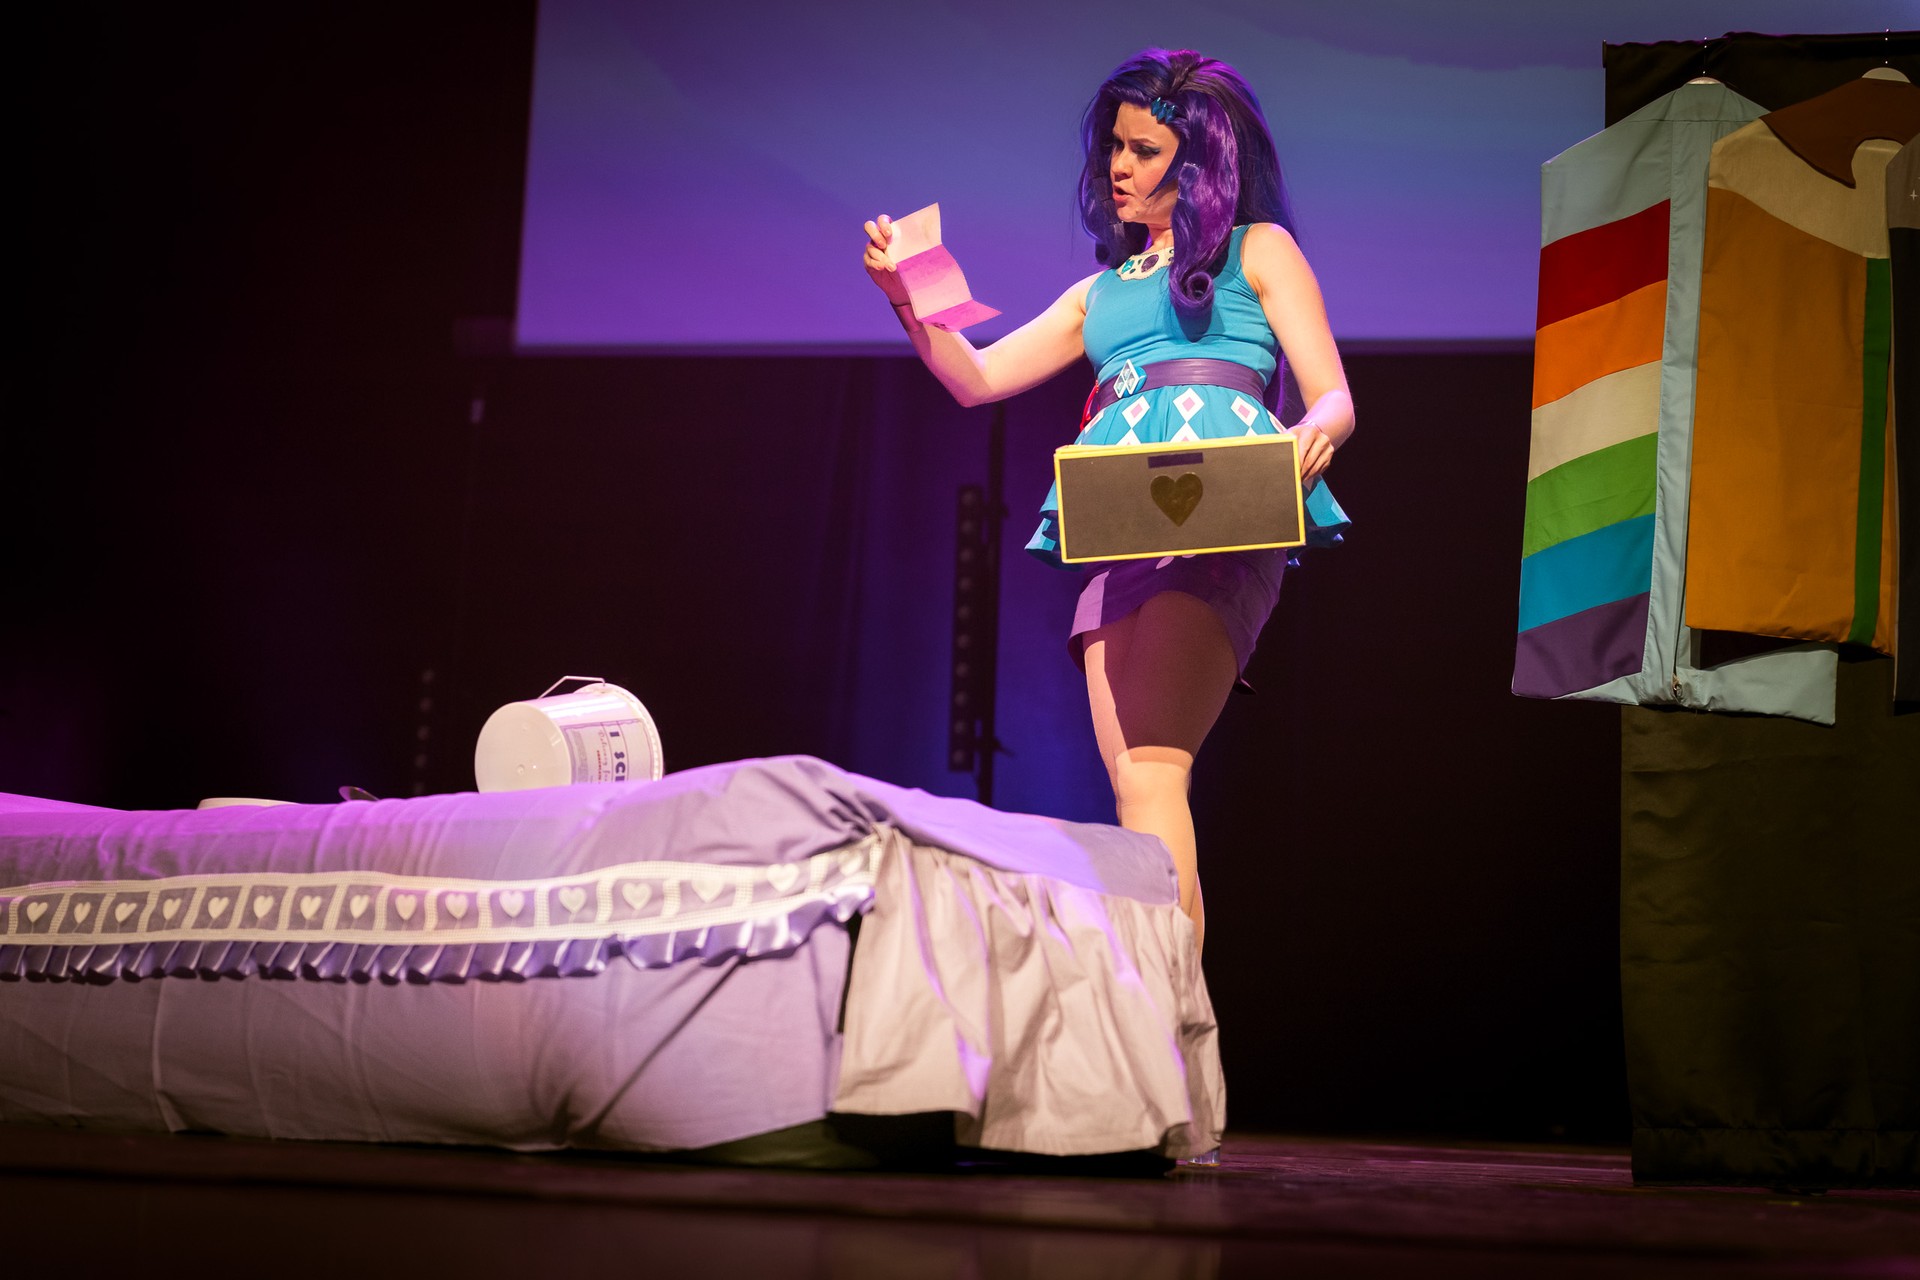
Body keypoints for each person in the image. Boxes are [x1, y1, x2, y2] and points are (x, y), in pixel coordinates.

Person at [861, 48, 1354, 950]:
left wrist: (1313, 432)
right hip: (1118, 523)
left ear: (1199, 163)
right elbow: (977, 377)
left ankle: (1165, 1008)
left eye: (1143, 150)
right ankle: (1173, 997)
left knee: (1156, 770)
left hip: (1221, 511)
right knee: (1139, 788)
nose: (1118, 167)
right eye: (1114, 149)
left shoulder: (1259, 251)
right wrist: (907, 295)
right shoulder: (1098, 294)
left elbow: (1333, 396)